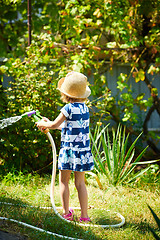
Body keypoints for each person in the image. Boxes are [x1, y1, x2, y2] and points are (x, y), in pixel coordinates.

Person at [36, 71, 94, 222]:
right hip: (81, 152)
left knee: (64, 182)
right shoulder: (85, 109)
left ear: (66, 94)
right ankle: (84, 216)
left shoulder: (67, 108)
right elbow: (73, 128)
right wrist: (50, 125)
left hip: (69, 151)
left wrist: (44, 124)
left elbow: (56, 124)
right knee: (80, 183)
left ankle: (67, 213)